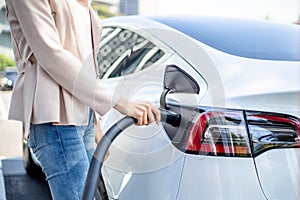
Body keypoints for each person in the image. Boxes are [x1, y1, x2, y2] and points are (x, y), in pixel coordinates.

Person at [5, 0, 161, 199]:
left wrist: (94, 122)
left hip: (83, 115)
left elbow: (85, 64)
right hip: (56, 117)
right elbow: (51, 55)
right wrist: (121, 103)